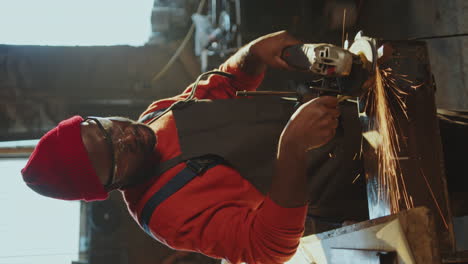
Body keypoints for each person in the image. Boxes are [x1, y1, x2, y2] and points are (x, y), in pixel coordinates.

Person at [21, 31, 340, 264]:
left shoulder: (154, 115)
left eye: (108, 128)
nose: (127, 137)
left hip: (339, 116)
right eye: (116, 156)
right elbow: (269, 247)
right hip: (348, 187)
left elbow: (225, 83)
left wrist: (253, 54)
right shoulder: (163, 215)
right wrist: (293, 147)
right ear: (111, 186)